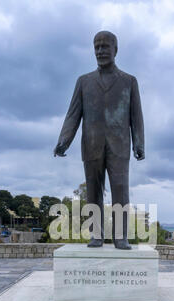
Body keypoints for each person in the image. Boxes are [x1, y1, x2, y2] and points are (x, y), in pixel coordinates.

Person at [54, 31, 145, 250]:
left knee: (120, 191)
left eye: (105, 46)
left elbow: (136, 116)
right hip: (91, 145)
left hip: (120, 146)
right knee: (93, 192)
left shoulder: (129, 81)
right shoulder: (84, 81)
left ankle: (121, 237)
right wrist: (63, 140)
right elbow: (73, 115)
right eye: (97, 47)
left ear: (116, 49)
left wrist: (139, 143)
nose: (100, 51)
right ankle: (96, 235)